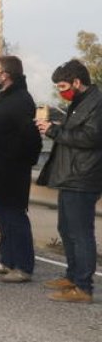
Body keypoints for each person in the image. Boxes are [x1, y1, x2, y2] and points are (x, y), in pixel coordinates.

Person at [36, 59, 102, 303]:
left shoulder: (97, 103)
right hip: (72, 175)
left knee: (80, 232)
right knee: (67, 229)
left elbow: (91, 137)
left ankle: (83, 286)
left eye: (63, 85)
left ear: (77, 82)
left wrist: (54, 131)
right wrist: (57, 126)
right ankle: (73, 276)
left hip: (83, 177)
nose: (60, 91)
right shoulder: (81, 102)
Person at [0, 56, 39, 284]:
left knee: (15, 218)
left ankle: (23, 266)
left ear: (7, 74)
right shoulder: (6, 98)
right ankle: (7, 260)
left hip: (12, 171)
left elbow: (30, 140)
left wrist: (17, 161)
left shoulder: (21, 100)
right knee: (2, 217)